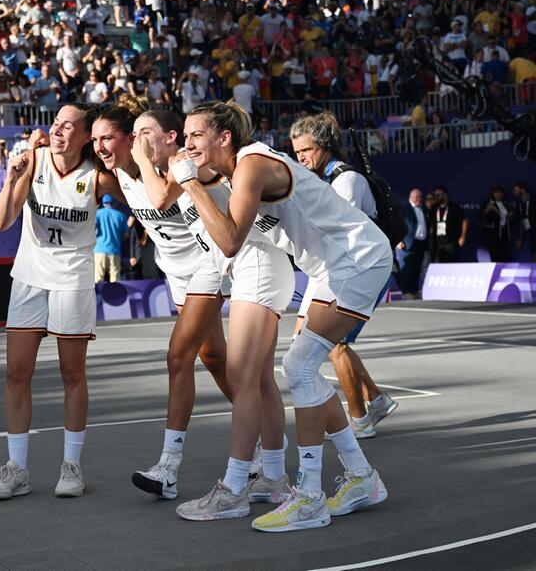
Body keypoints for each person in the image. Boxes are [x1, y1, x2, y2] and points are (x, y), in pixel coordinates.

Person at [171, 100, 390, 532]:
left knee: (300, 366)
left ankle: (309, 496)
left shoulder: (252, 164)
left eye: (195, 134)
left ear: (224, 138)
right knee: (302, 367)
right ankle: (362, 477)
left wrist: (190, 185)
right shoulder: (235, 172)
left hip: (356, 258)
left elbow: (231, 240)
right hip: (328, 269)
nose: (187, 143)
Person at [88, 99, 291, 505]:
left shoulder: (182, 163)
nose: (100, 146)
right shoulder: (116, 177)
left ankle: (168, 467)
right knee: (215, 360)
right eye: (95, 140)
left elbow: (162, 197)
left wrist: (145, 159)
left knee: (178, 356)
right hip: (177, 274)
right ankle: (262, 441)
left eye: (110, 137)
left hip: (209, 266)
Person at [0, 103, 123, 500]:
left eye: (69, 127)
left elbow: (141, 199)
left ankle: (72, 466)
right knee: (16, 372)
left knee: (72, 374)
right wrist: (12, 181)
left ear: (85, 136)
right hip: (29, 277)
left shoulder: (97, 176)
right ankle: (17, 469)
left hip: (72, 281)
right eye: (55, 124)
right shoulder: (33, 160)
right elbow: (1, 221)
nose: (59, 131)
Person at [289, 114, 397, 438]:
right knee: (329, 342)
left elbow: (336, 232)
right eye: (296, 153)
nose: (301, 158)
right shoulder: (322, 178)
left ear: (324, 147)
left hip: (363, 268)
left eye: (306, 150)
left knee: (333, 343)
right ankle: (375, 399)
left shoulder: (346, 180)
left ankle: (360, 419)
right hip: (340, 270)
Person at [397, 189, 428, 297]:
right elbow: (396, 224)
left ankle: (414, 290)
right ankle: (406, 292)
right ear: (411, 197)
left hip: (420, 243)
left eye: (420, 197)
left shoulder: (423, 208)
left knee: (417, 268)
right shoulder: (404, 208)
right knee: (406, 269)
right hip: (406, 243)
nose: (418, 199)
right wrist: (398, 240)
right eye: (416, 197)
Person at [94, 194, 127, 282]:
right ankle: (116, 296)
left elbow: (92, 229)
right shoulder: (121, 215)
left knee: (98, 279)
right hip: (115, 250)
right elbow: (126, 235)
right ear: (114, 203)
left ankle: (98, 296)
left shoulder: (97, 213)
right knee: (115, 279)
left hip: (99, 250)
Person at [430, 186, 468, 263]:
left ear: (445, 195)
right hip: (437, 243)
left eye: (439, 195)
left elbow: (464, 220)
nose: (437, 197)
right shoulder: (434, 207)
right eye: (436, 195)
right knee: (437, 265)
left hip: (450, 242)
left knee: (450, 265)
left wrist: (463, 236)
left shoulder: (454, 207)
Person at [481, 185, 513, 262]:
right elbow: (481, 218)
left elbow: (510, 220)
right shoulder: (488, 203)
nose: (499, 194)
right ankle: (496, 272)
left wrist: (511, 216)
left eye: (500, 192)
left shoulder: (506, 204)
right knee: (495, 257)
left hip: (505, 234)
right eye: (496, 192)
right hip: (494, 236)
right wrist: (486, 211)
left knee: (507, 256)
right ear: (493, 194)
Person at [514, 182, 535, 261]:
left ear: (522, 190)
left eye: (516, 190)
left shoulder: (534, 198)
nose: (514, 193)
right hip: (532, 233)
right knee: (533, 255)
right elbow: (522, 221)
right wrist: (520, 238)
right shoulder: (520, 204)